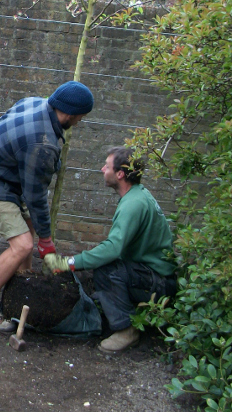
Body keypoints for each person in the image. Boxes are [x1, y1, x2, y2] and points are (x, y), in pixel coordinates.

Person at [0, 81, 94, 332]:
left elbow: (8, 118)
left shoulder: (37, 103)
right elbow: (35, 197)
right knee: (22, 244)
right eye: (80, 118)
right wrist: (46, 241)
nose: (79, 122)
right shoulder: (42, 145)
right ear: (68, 113)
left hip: (4, 172)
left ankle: (22, 285)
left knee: (29, 226)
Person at [45, 146, 177, 354]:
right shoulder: (137, 196)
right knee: (107, 268)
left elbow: (113, 249)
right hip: (153, 274)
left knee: (107, 270)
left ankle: (127, 330)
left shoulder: (133, 204)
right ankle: (122, 309)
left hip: (159, 283)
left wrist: (68, 263)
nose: (101, 169)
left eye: (106, 166)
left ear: (120, 174)